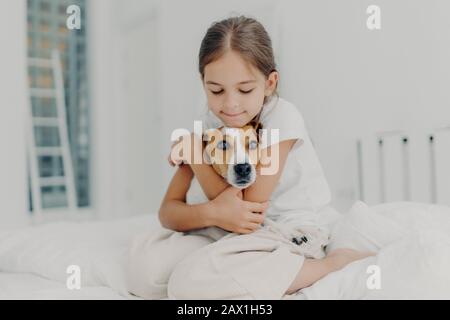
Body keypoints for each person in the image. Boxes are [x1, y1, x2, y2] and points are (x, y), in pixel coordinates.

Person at [127, 15, 372, 300]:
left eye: (245, 90)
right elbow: (168, 213)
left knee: (188, 284)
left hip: (285, 232)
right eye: (216, 90)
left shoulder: (282, 118)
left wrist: (196, 154)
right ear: (203, 82)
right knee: (145, 271)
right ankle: (233, 270)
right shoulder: (208, 123)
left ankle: (331, 264)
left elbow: (246, 211)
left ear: (269, 83)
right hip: (227, 231)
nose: (230, 104)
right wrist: (210, 212)